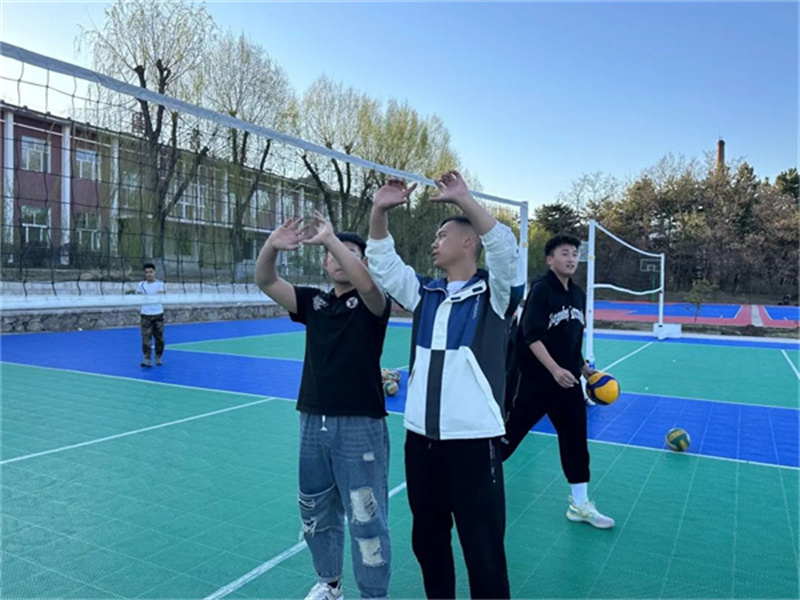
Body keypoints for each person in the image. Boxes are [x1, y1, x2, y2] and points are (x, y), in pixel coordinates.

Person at [366, 171, 523, 600]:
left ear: (468, 241)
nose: (435, 242)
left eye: (442, 235)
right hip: (421, 443)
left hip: (473, 444)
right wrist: (379, 210)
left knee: (483, 552)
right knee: (429, 544)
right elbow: (382, 262)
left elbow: (505, 250)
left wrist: (464, 200)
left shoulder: (495, 295)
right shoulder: (425, 293)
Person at [255, 210, 392, 600]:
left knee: (366, 514)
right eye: (333, 253)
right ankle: (329, 583)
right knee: (315, 508)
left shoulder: (373, 302)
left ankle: (374, 594)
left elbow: (368, 284)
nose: (341, 259)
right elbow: (266, 280)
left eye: (352, 254)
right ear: (324, 263)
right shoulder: (313, 302)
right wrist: (271, 246)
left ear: (362, 263)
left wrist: (331, 239)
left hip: (360, 424)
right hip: (313, 421)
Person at [500, 234, 615, 529]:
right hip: (534, 381)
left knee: (575, 440)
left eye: (575, 254)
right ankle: (471, 484)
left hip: (567, 382)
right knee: (508, 435)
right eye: (565, 253)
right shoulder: (541, 290)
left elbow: (571, 340)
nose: (571, 258)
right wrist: (553, 369)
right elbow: (531, 336)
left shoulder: (577, 294)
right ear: (550, 259)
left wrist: (585, 370)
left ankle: (579, 504)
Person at [137, 262, 165, 367]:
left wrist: (147, 298)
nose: (149, 274)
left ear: (154, 272)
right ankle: (147, 359)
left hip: (158, 315)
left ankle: (158, 357)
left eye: (151, 272)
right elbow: (138, 297)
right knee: (145, 338)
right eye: (147, 272)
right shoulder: (140, 285)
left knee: (159, 338)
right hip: (145, 315)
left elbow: (158, 296)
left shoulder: (160, 284)